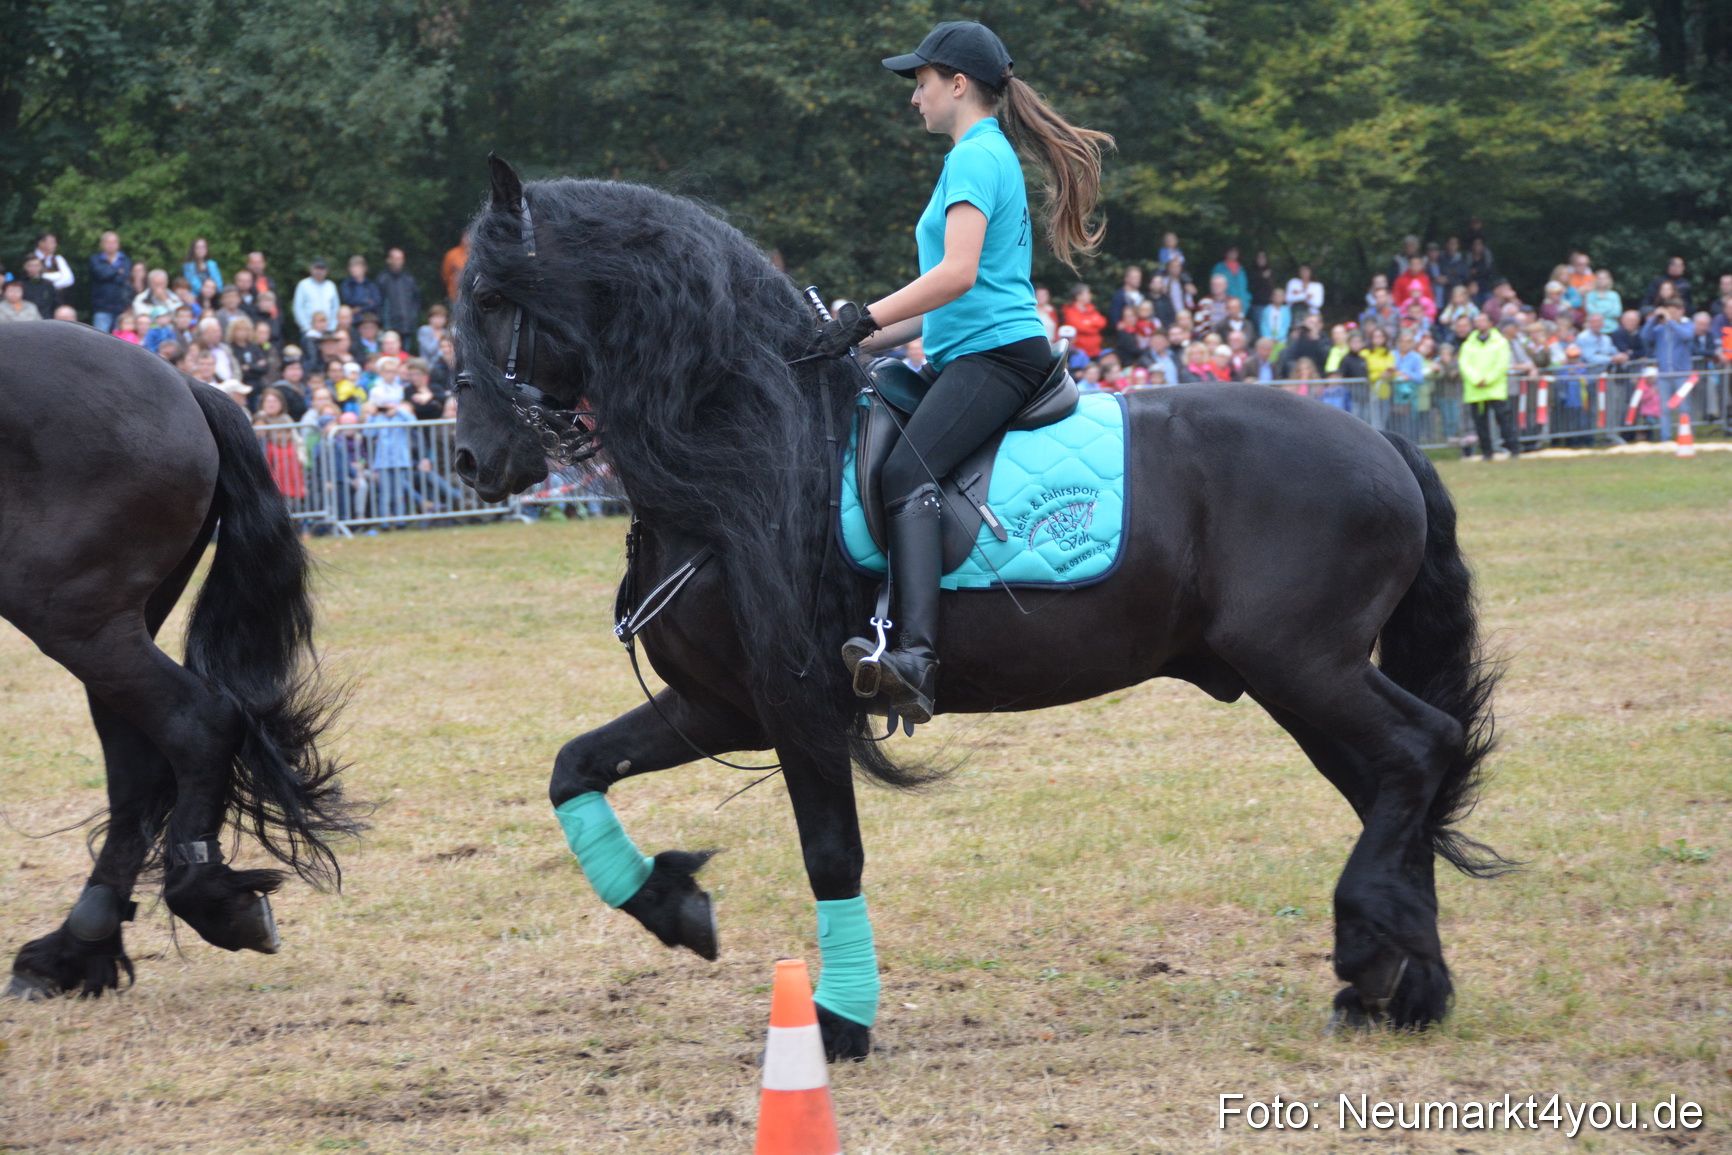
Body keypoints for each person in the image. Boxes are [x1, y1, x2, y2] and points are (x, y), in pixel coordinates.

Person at [812, 20, 1110, 725]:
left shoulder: (975, 157)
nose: (915, 99)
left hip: (999, 357)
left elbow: (956, 273)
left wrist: (861, 315)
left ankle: (915, 657)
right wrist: (847, 338)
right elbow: (943, 303)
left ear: (957, 84)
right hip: (975, 346)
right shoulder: (980, 155)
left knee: (905, 473)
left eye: (920, 84)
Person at [1460, 312, 1518, 459]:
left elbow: (1502, 364)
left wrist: (1488, 379)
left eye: (1483, 320)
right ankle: (1487, 452)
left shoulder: (1500, 342)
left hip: (1495, 389)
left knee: (1504, 420)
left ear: (1490, 323)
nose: (1480, 323)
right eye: (1477, 321)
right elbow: (1464, 364)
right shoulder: (1468, 344)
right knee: (1480, 424)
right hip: (1475, 391)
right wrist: (1477, 379)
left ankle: (1513, 449)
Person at [1641, 299, 1694, 440]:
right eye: (1669, 310)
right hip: (1664, 375)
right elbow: (1645, 336)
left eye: (1674, 310)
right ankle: (1666, 437)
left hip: (1681, 374)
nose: (1670, 313)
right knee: (1664, 409)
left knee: (1684, 407)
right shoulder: (1660, 329)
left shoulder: (1687, 325)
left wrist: (1671, 322)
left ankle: (1685, 435)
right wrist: (1653, 319)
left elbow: (1687, 336)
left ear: (1681, 311)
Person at [87, 231, 132, 333]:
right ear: (102, 244)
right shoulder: (95, 259)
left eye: (114, 242)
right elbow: (101, 274)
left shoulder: (125, 260)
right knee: (100, 339)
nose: (111, 245)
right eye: (108, 242)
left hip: (121, 307)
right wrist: (117, 270)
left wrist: (109, 271)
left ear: (118, 244)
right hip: (101, 308)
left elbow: (123, 278)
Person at [377, 248, 421, 337]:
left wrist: (413, 315)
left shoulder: (409, 279)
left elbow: (417, 299)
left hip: (407, 326)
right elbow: (378, 302)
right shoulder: (382, 279)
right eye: (396, 258)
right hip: (389, 326)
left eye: (400, 259)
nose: (398, 261)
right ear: (389, 260)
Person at [293, 259, 341, 340]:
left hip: (328, 331)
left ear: (326, 271)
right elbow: (297, 308)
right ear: (311, 269)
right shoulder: (303, 285)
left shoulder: (331, 285)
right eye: (317, 268)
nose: (319, 271)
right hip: (309, 332)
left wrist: (332, 327)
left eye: (322, 269)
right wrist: (306, 328)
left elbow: (336, 308)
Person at [1060, 283, 1107, 358]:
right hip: (1079, 352)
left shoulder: (1091, 308)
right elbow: (1080, 327)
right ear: (1078, 296)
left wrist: (1088, 323)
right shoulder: (1070, 310)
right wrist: (1093, 325)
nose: (1089, 296)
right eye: (1087, 293)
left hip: (1096, 351)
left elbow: (1102, 322)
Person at [1107, 266, 1143, 337]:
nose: (1138, 280)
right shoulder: (1119, 296)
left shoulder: (1141, 295)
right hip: (1126, 334)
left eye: (1139, 277)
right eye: (1134, 277)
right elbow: (1114, 316)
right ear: (1126, 279)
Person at [441, 231, 469, 302]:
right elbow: (445, 275)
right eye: (466, 237)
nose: (468, 239)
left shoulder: (478, 255)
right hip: (455, 295)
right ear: (462, 238)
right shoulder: (452, 254)